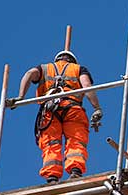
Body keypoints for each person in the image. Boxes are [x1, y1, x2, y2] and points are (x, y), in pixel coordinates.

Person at [12, 50, 103, 184]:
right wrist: (96, 107)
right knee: (76, 140)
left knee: (51, 143)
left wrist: (21, 96)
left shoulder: (44, 68)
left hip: (49, 111)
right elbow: (87, 86)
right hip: (72, 108)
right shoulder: (78, 69)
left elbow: (29, 74)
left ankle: (52, 177)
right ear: (72, 60)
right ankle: (75, 171)